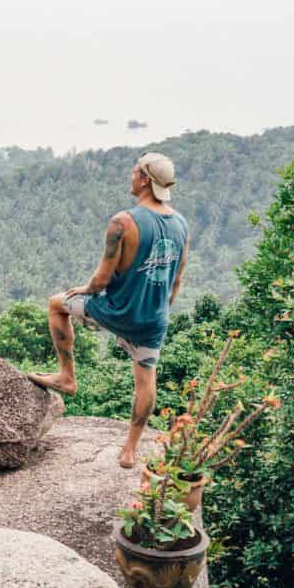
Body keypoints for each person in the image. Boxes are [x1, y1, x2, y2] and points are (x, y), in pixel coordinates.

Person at [29, 152, 191, 468]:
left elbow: (101, 279)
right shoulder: (182, 224)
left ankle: (66, 376)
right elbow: (177, 280)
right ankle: (130, 450)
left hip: (115, 310)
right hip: (152, 321)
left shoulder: (123, 222)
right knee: (145, 381)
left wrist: (85, 291)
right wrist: (158, 313)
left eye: (134, 171)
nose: (131, 176)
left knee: (55, 305)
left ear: (145, 178)